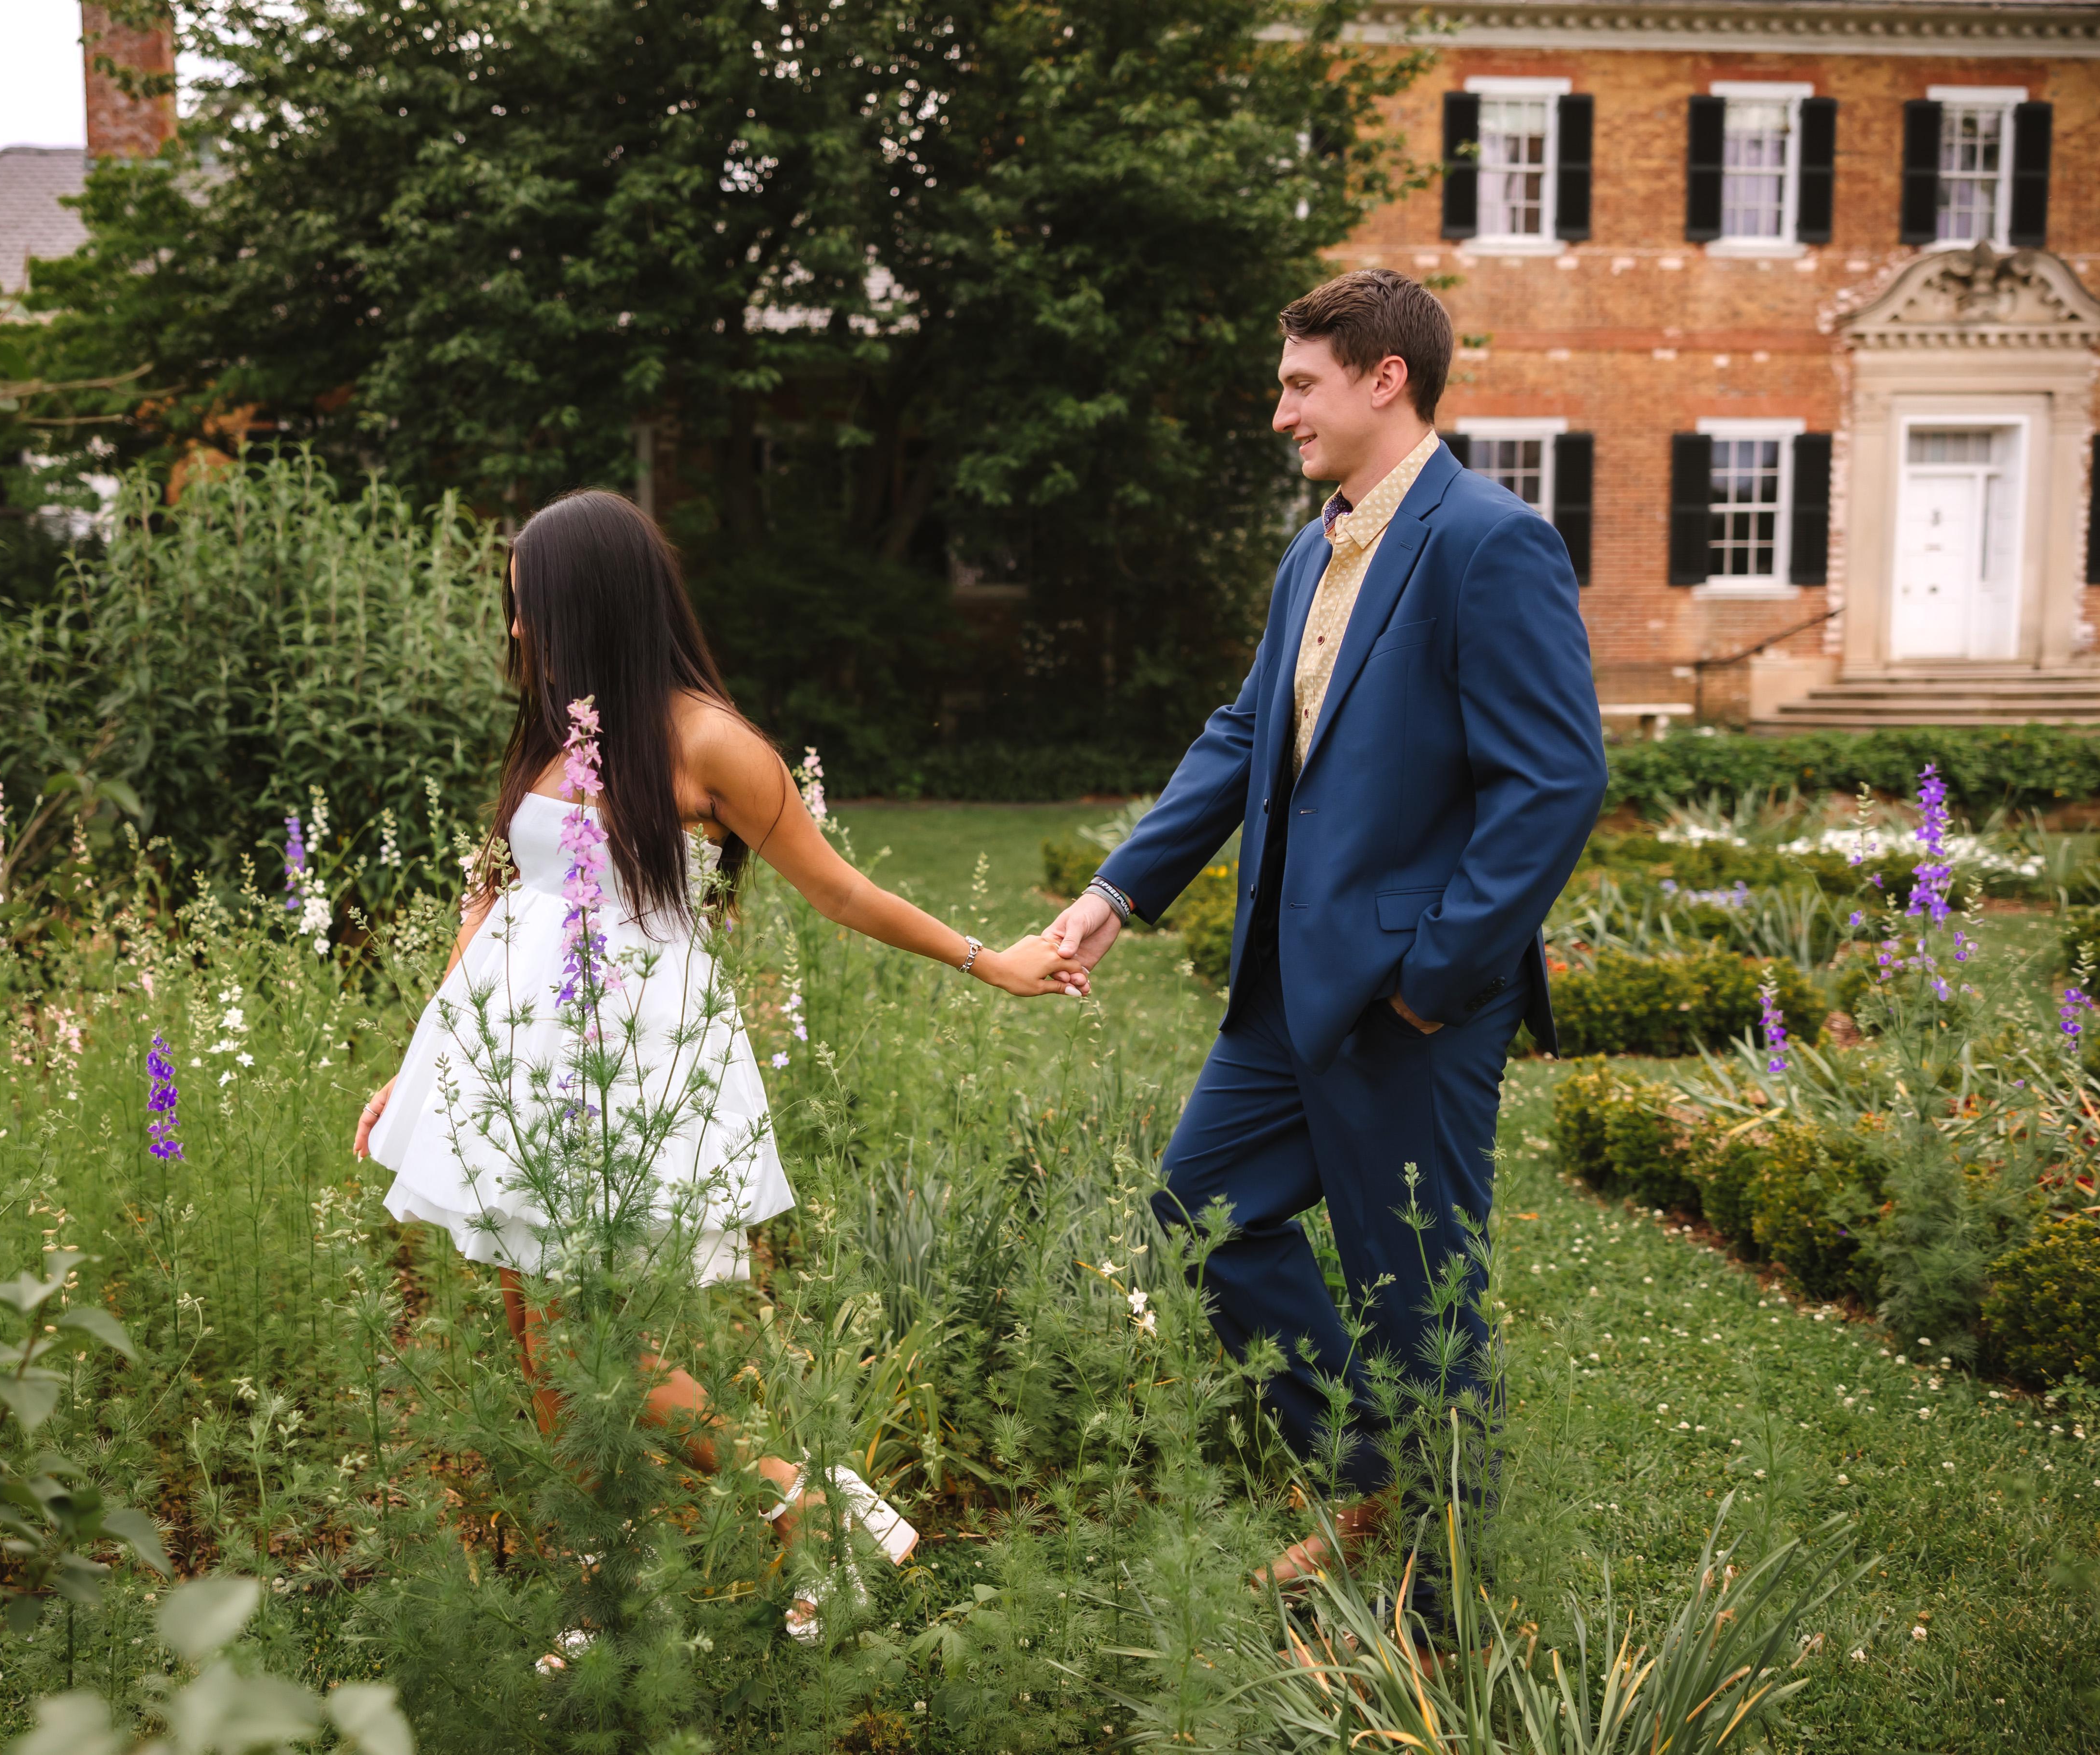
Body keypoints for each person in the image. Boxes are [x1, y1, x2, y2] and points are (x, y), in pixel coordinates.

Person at [353, 487, 1087, 1641]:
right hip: (511, 1055)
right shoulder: (556, 725)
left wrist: (987, 958)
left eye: (529, 606)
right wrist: (420, 1058)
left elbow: (837, 888)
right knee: (534, 1326)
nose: (516, 629)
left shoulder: (707, 741)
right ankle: (598, 1586)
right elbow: (488, 896)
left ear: (590, 604)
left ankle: (807, 1501)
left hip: (620, 1064)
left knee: (597, 1341)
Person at [1044, 267, 1604, 1589]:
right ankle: (1368, 1477)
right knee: (1201, 1210)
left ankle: (1442, 1588)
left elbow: (1554, 779)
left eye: (1300, 384)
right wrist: (1116, 890)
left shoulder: (1489, 542)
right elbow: (1248, 733)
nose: (1281, 411)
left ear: (1383, 378)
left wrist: (1433, 976)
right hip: (1285, 987)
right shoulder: (1315, 548)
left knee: (1416, 1287)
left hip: (1409, 997)